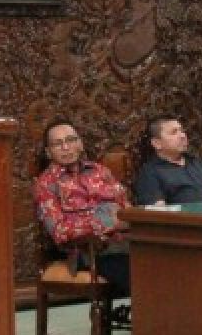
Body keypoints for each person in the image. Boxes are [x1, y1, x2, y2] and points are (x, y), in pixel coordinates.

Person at [32, 119, 130, 297]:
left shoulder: (101, 172)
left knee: (162, 264)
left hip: (124, 244)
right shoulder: (46, 184)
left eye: (71, 140)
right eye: (58, 144)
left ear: (80, 143)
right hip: (87, 252)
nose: (66, 147)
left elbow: (126, 209)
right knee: (137, 275)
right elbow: (60, 231)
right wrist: (106, 222)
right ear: (48, 152)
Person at [134, 115, 202, 205]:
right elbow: (158, 213)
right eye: (174, 132)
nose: (182, 136)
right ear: (157, 143)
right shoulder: (151, 172)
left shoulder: (199, 163)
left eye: (182, 131)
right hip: (184, 218)